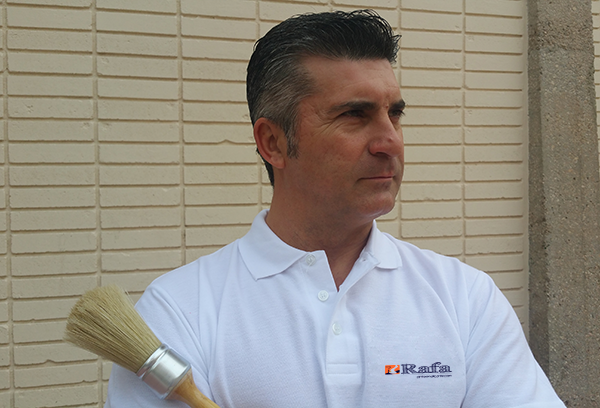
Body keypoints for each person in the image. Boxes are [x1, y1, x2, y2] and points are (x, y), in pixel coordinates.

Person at [106, 10, 566, 407]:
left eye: (395, 114)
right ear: (273, 142)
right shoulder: (180, 310)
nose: (390, 142)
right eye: (354, 115)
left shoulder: (464, 298)